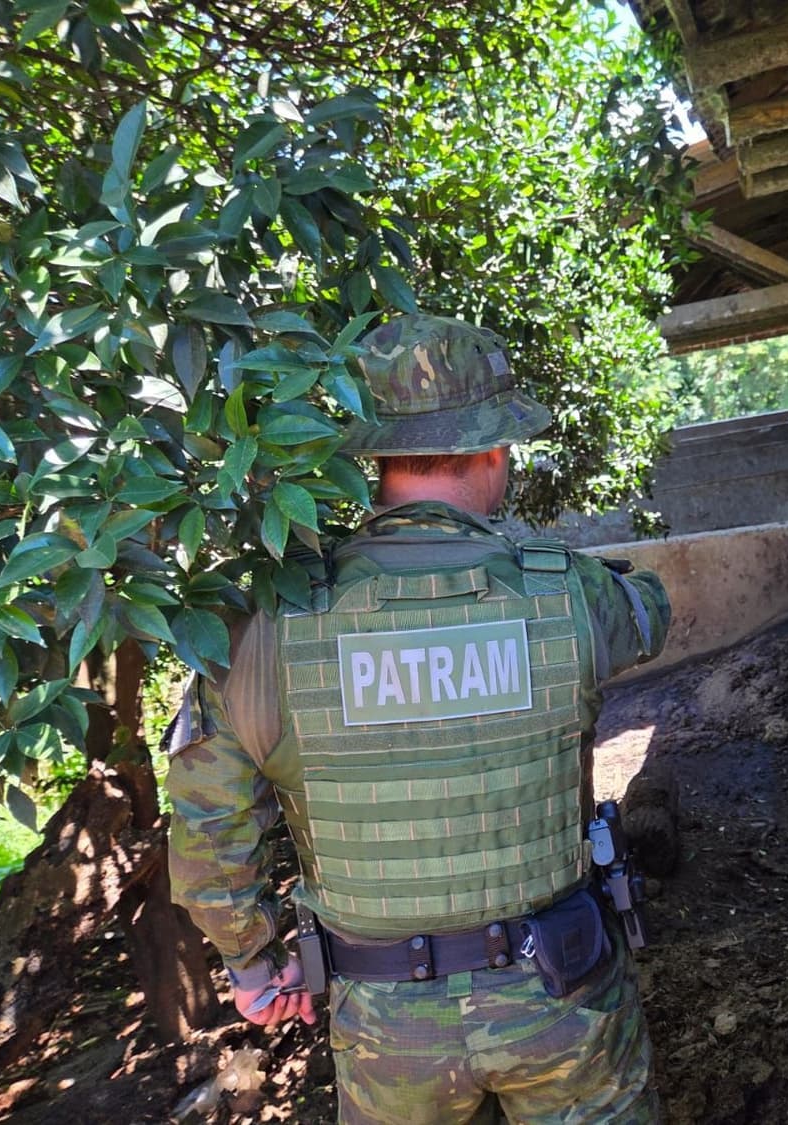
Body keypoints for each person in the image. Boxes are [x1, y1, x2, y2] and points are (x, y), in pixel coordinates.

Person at [166, 314, 671, 1124]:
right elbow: (652, 609)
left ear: (376, 456)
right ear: (495, 448)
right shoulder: (568, 595)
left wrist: (252, 963)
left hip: (384, 1028)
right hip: (565, 995)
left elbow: (207, 823)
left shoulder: (263, 628)